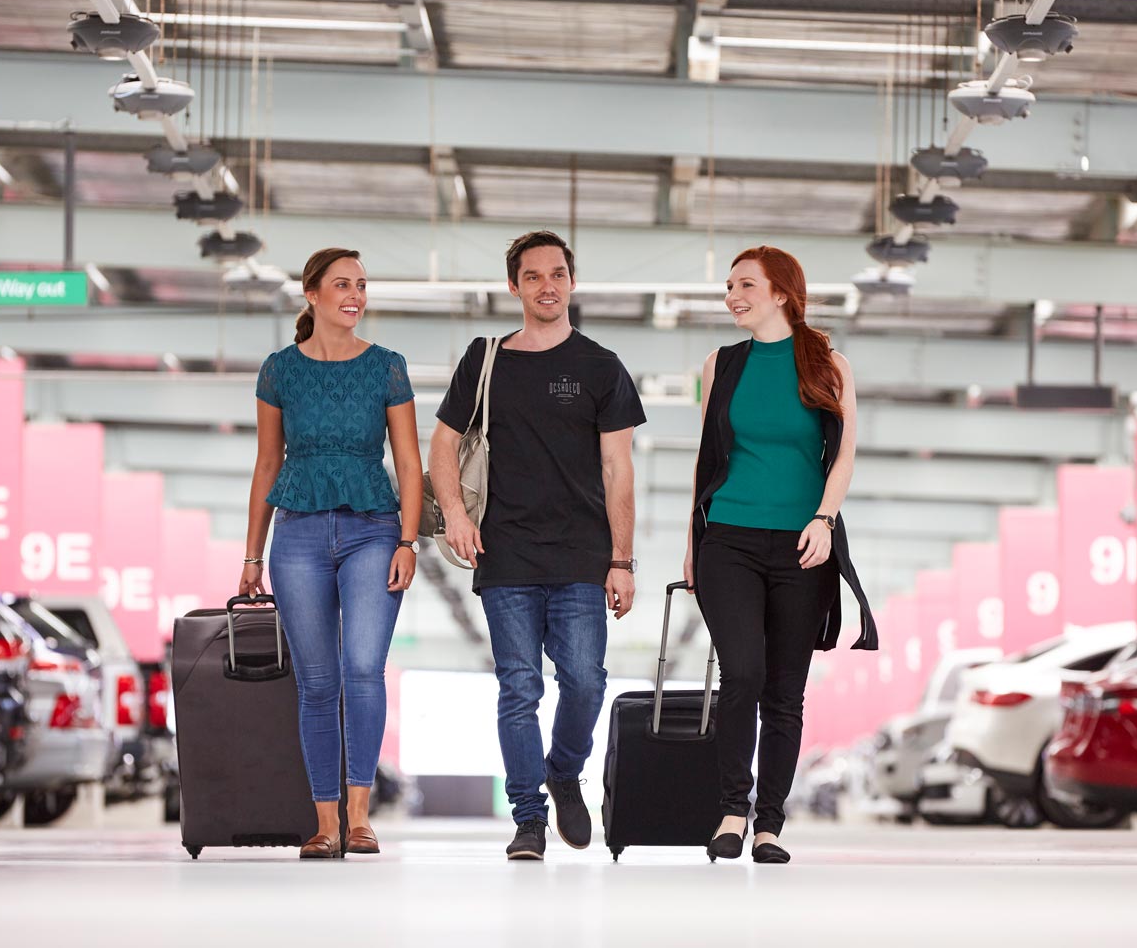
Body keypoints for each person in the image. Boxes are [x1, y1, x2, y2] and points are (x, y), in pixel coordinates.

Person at [429, 229, 646, 861]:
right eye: (533, 276)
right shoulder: (485, 358)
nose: (546, 286)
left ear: (571, 282)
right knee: (519, 687)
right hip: (506, 554)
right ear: (514, 286)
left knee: (584, 681)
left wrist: (622, 560)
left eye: (557, 274)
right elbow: (443, 444)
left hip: (582, 553)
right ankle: (528, 818)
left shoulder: (600, 366)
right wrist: (453, 516)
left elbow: (618, 470)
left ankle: (564, 769)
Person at [683, 245, 877, 865]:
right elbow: (707, 458)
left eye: (744, 285)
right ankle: (731, 812)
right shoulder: (721, 365)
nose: (731, 296)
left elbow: (842, 456)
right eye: (730, 287)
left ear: (781, 293)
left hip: (802, 545)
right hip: (729, 540)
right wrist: (693, 545)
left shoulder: (829, 365)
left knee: (784, 693)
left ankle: (770, 824)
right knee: (741, 676)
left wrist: (824, 518)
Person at [241, 248, 423, 860]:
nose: (355, 294)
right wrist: (251, 557)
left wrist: (408, 539)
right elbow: (268, 463)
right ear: (311, 294)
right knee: (317, 682)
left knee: (363, 670)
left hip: (374, 528)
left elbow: (408, 463)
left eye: (362, 285)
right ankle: (324, 824)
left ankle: (360, 816)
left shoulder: (387, 368)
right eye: (342, 284)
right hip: (298, 534)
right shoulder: (279, 370)